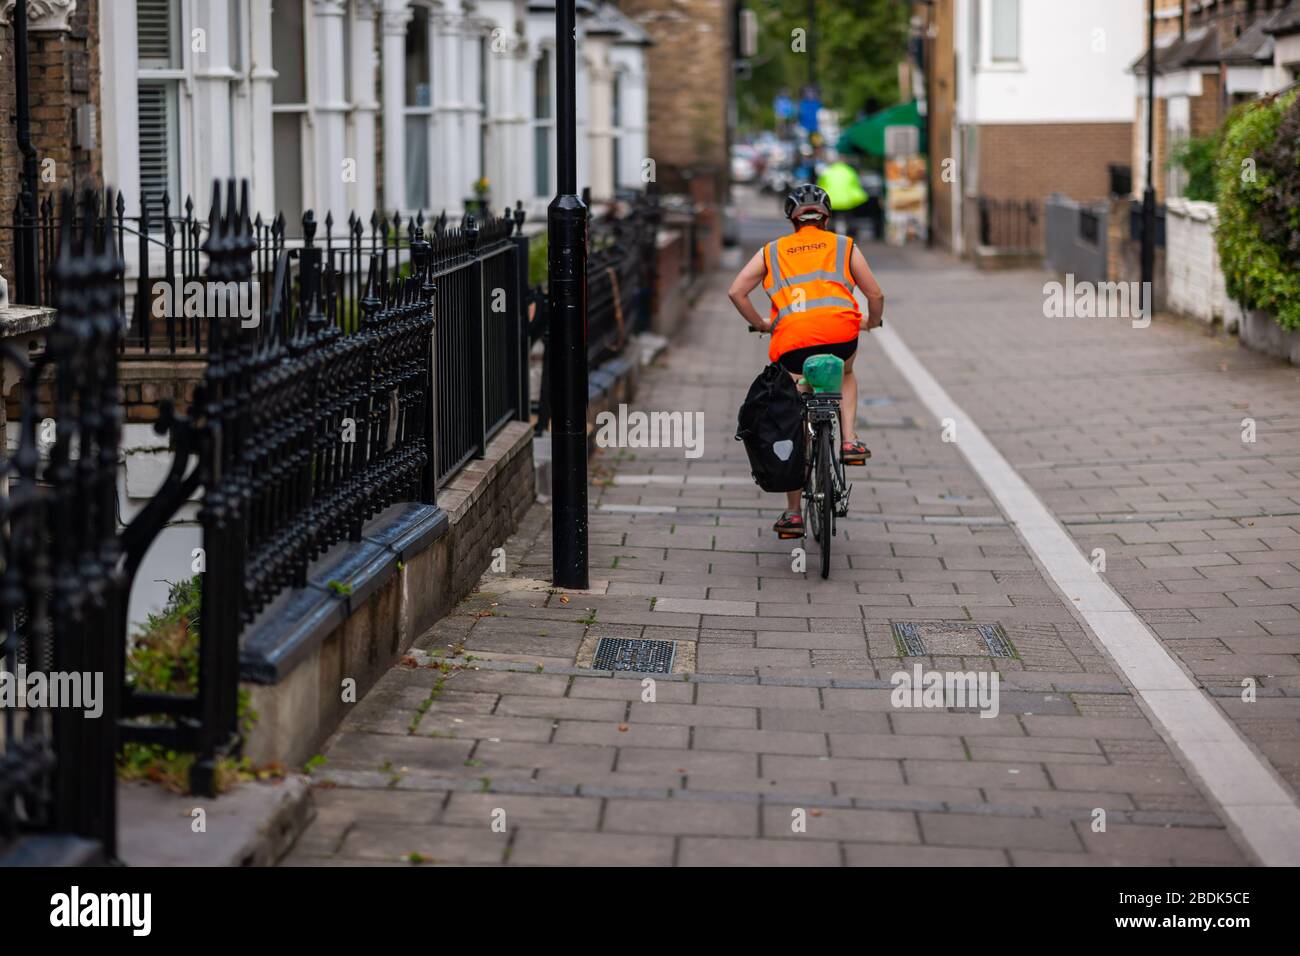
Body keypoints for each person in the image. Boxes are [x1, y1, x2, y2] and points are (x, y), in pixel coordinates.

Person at [727, 183, 886, 538]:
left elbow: (736, 291)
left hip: (793, 340)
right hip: (841, 334)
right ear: (826, 217)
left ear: (791, 218)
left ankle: (794, 513)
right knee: (845, 373)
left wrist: (761, 324)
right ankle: (849, 440)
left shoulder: (771, 251)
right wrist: (872, 321)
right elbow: (875, 293)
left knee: (796, 409)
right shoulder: (844, 246)